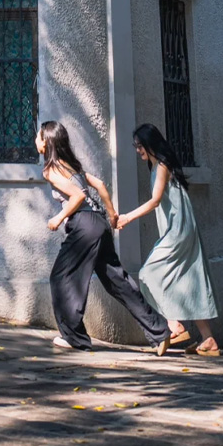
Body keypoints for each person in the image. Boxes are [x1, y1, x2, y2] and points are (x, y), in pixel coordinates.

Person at [35, 120, 171, 354]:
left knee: (61, 276)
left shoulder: (50, 169)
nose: (36, 140)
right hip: (98, 222)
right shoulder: (72, 166)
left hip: (84, 225)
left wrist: (58, 218)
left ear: (46, 141)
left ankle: (73, 337)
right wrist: (111, 215)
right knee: (117, 282)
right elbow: (99, 185)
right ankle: (160, 331)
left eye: (38, 136)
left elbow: (77, 197)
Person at [117, 123, 221, 357]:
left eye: (139, 145)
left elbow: (155, 201)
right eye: (135, 146)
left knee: (148, 273)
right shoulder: (156, 165)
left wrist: (128, 217)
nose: (137, 150)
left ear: (149, 143)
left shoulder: (162, 165)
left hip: (178, 232)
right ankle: (208, 339)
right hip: (180, 229)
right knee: (188, 281)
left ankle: (175, 325)